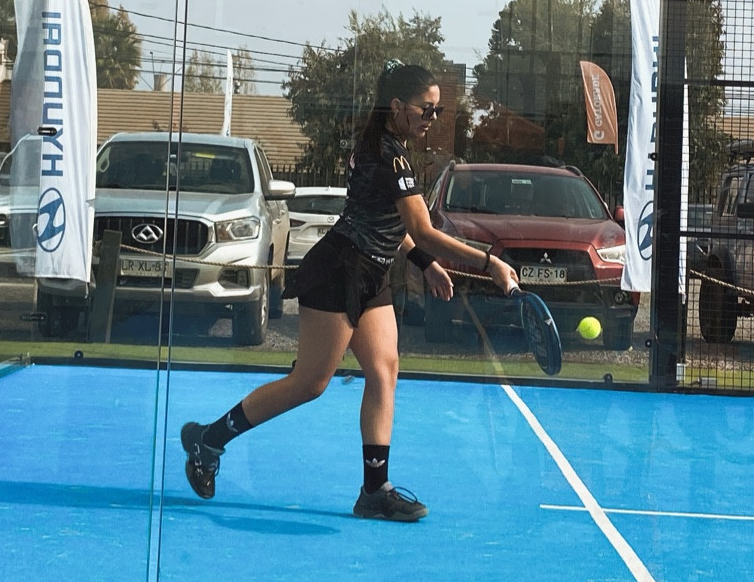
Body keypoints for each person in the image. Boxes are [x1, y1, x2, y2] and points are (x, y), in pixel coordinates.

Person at [180, 61, 519, 521]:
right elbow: (422, 229)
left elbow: (389, 223)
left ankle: (375, 491)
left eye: (437, 111)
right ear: (397, 107)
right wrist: (489, 262)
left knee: (384, 370)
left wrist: (425, 263)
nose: (433, 118)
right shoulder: (388, 155)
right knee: (310, 384)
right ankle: (208, 440)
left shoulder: (386, 147)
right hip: (339, 271)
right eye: (426, 109)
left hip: (371, 274)